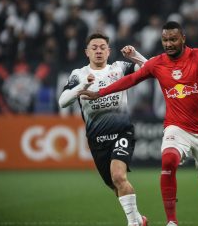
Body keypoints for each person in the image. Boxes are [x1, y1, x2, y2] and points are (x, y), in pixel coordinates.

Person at [78, 21, 198, 226]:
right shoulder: (157, 63)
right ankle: (172, 221)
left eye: (173, 39)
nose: (169, 43)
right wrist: (99, 92)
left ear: (183, 39)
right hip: (176, 126)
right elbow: (131, 79)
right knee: (168, 160)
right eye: (165, 40)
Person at [58, 33, 148, 226]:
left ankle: (134, 224)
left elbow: (151, 69)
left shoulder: (119, 68)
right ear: (87, 52)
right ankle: (139, 219)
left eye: (102, 47)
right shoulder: (78, 74)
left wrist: (135, 55)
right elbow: (63, 101)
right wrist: (84, 84)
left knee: (118, 175)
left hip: (122, 132)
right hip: (97, 139)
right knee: (115, 185)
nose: (98, 51)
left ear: (109, 51)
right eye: (94, 47)